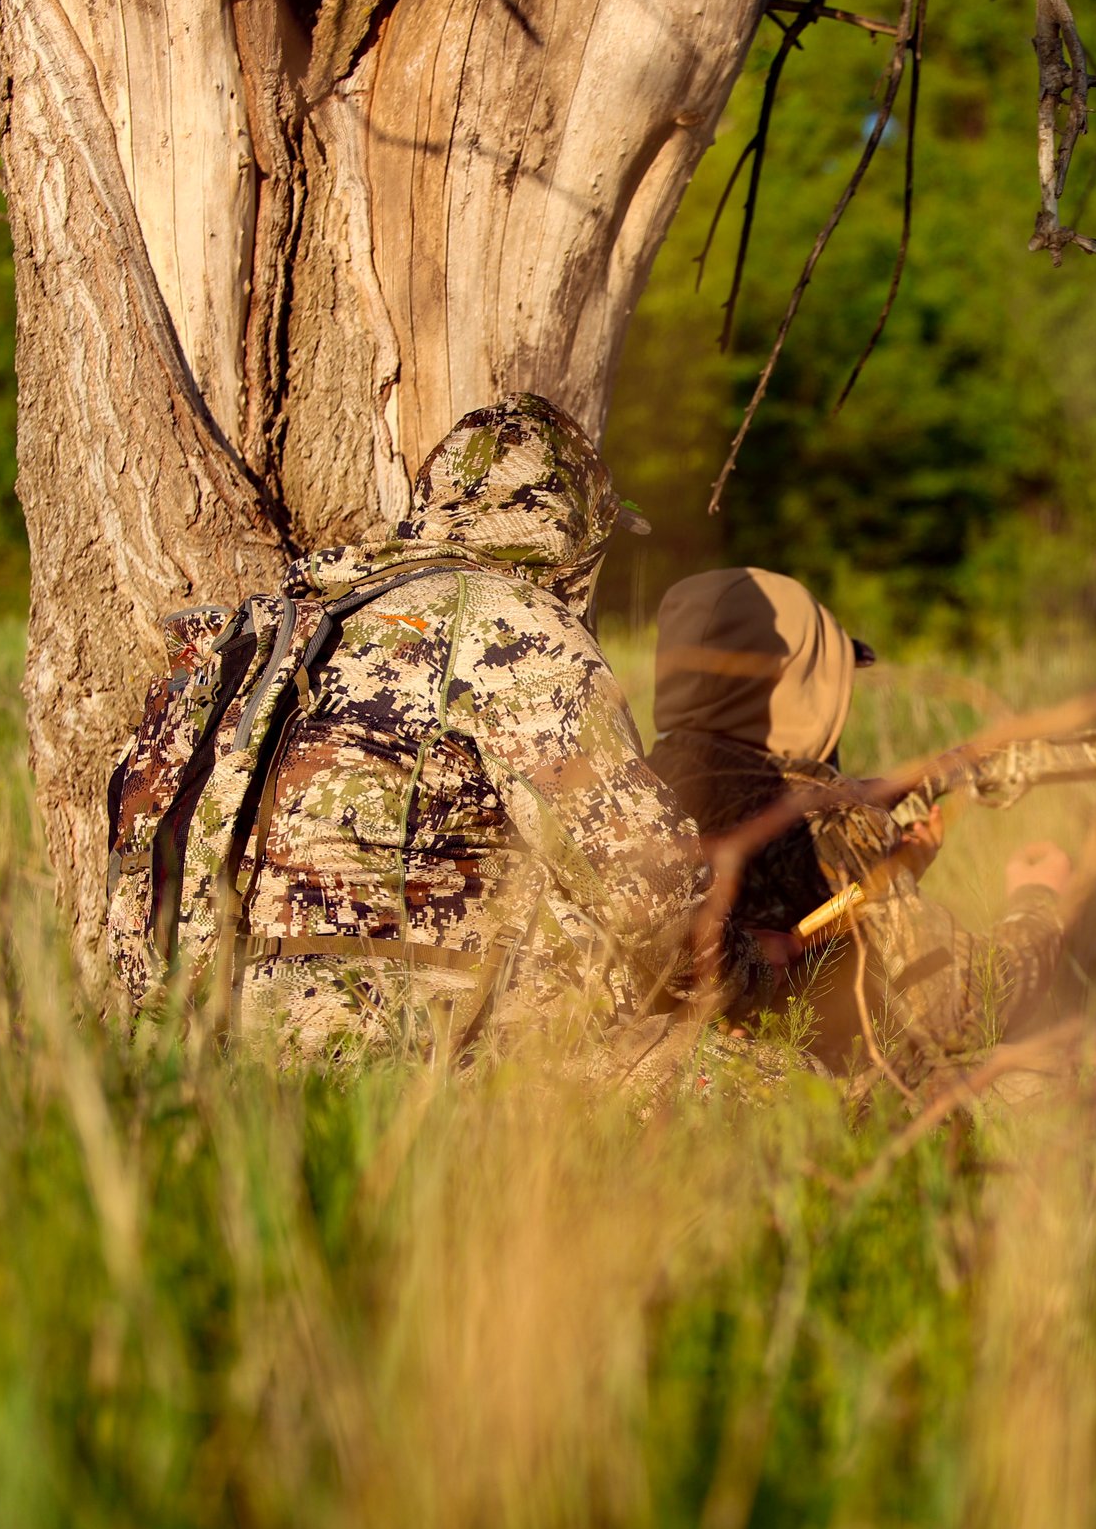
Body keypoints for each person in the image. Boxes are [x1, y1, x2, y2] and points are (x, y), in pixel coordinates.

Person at [229, 394, 767, 1060]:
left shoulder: (320, 611)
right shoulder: (515, 626)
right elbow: (645, 892)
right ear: (574, 539)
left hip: (240, 1033)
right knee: (793, 1097)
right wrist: (754, 977)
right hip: (404, 1048)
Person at [645, 567, 1069, 1070]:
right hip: (789, 1111)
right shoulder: (833, 820)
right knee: (1058, 1071)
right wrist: (1039, 899)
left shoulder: (632, 792)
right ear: (801, 687)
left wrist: (893, 877)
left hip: (643, 1097)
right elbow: (961, 1006)